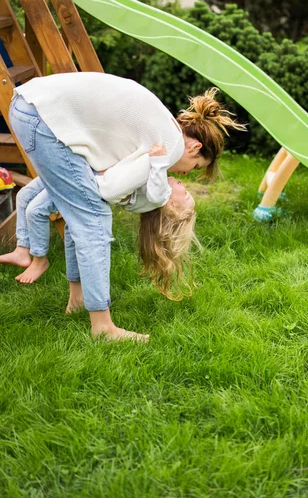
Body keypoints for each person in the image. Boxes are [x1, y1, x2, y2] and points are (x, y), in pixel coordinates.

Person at [8, 72, 245, 342]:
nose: (186, 175)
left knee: (75, 213)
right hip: (43, 117)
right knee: (94, 218)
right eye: (196, 168)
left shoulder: (166, 132)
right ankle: (103, 328)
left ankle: (77, 296)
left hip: (30, 106)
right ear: (195, 147)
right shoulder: (168, 148)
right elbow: (109, 189)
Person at [0, 144, 190, 285]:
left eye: (187, 194)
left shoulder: (160, 195)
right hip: (87, 170)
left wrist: (158, 160)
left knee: (36, 210)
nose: (186, 186)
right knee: (24, 194)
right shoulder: (157, 191)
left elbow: (156, 190)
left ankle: (39, 259)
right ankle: (22, 249)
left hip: (86, 184)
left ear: (172, 204)